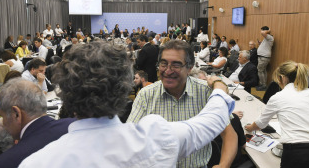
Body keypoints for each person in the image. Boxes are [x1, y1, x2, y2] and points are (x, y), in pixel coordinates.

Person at [19, 40, 235, 168]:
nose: (168, 70)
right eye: (163, 63)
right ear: (125, 88)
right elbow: (212, 119)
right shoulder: (156, 138)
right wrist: (219, 87)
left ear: (64, 91)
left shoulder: (36, 163)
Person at [128, 40, 237, 168]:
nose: (168, 71)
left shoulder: (206, 92)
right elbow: (130, 140)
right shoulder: (146, 95)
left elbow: (229, 134)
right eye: (163, 64)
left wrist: (223, 165)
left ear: (190, 68)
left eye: (176, 65)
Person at [245, 61, 309, 168]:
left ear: (282, 78)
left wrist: (249, 127)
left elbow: (260, 123)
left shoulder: (278, 97)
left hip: (296, 153)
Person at [0, 79, 75, 168]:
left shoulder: (6, 163)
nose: (3, 123)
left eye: (2, 117)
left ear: (16, 114)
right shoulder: (73, 126)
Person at [256, 26, 274, 91]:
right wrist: (260, 44)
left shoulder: (269, 37)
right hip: (263, 56)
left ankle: (263, 85)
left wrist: (268, 30)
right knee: (263, 71)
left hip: (264, 57)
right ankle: (263, 84)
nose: (261, 31)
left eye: (262, 30)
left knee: (260, 70)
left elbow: (263, 33)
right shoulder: (267, 38)